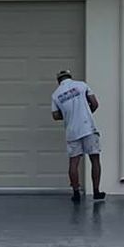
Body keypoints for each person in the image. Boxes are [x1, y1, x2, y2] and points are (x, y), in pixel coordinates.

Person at [50, 69, 104, 203]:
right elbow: (95, 103)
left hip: (72, 131)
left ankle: (76, 193)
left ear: (58, 81)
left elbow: (55, 115)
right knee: (95, 159)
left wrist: (67, 115)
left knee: (74, 163)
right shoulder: (82, 85)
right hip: (88, 128)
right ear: (70, 76)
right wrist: (87, 113)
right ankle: (96, 192)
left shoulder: (56, 94)